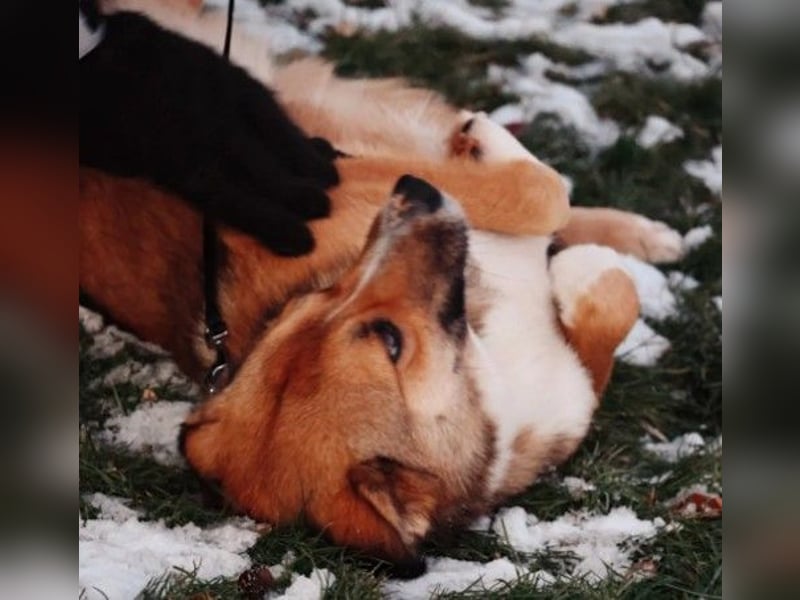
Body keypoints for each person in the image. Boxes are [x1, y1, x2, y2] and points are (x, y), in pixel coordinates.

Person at [79, 0, 338, 255]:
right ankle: (264, 203)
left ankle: (289, 155)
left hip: (107, 40)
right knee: (170, 139)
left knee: (216, 77)